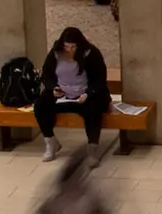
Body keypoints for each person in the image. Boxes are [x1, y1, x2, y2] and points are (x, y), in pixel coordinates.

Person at [35, 27, 113, 161]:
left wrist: (88, 93)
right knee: (40, 105)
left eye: (73, 47)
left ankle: (93, 148)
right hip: (63, 94)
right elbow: (46, 74)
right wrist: (53, 88)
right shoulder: (55, 53)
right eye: (66, 47)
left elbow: (99, 79)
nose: (69, 50)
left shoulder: (91, 53)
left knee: (93, 111)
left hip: (86, 95)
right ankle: (51, 142)